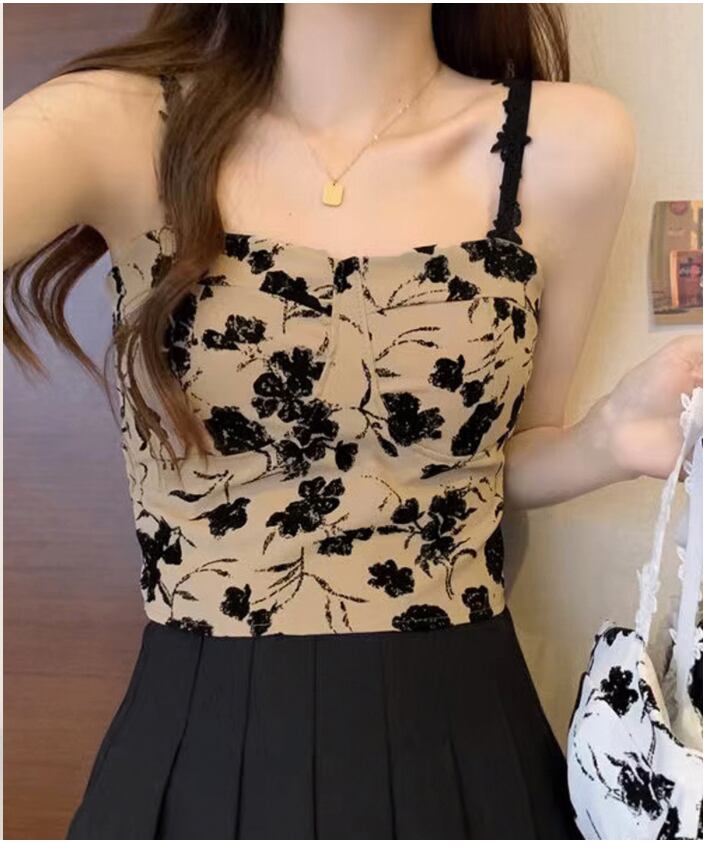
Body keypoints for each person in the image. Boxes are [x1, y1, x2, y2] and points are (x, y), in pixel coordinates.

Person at [4, 3, 701, 840]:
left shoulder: (568, 145)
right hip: (195, 743)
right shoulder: (114, 124)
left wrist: (605, 439)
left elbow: (496, 462)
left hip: (462, 742)